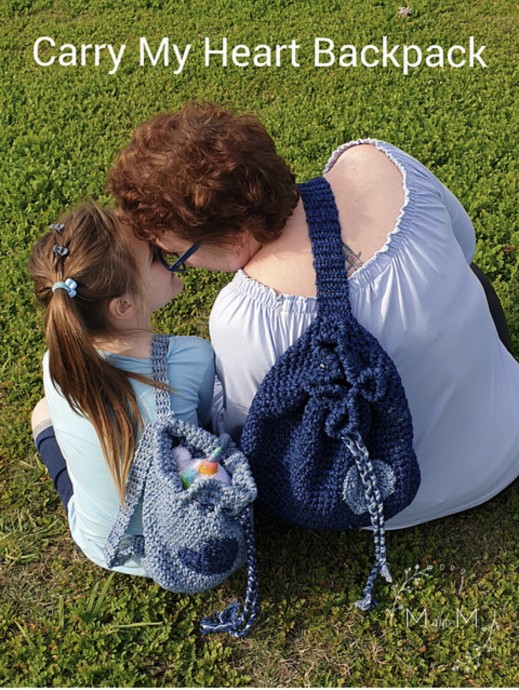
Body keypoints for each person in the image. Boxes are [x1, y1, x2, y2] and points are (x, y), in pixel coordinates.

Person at [107, 101, 519, 531]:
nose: (184, 267)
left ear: (232, 235)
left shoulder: (247, 314)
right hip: (509, 433)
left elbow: (256, 441)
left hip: (393, 499)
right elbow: (464, 245)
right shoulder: (380, 163)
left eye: (178, 254)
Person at [30, 203, 215, 574]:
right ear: (123, 306)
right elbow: (208, 433)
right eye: (157, 257)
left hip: (104, 545)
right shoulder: (194, 357)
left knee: (41, 412)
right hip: (190, 542)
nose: (169, 254)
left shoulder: (56, 363)